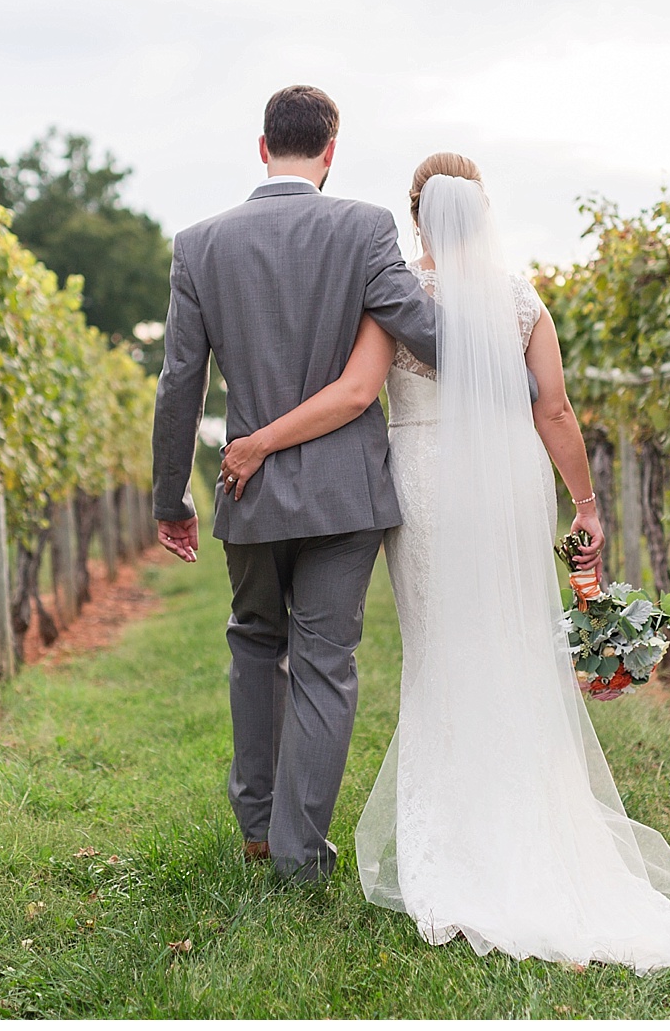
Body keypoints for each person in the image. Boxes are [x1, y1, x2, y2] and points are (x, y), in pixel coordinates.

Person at [217, 153, 670, 971]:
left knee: (440, 651)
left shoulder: (397, 295)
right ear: (480, 213)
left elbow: (352, 396)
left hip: (422, 479)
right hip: (513, 479)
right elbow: (551, 408)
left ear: (417, 217)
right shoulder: (520, 299)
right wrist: (584, 503)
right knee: (511, 640)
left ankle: (454, 841)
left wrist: (260, 442)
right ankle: (531, 822)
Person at [149, 85, 444, 882]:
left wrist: (168, 496)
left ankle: (256, 824)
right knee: (325, 661)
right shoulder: (363, 227)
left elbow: (180, 382)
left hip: (248, 490)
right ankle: (299, 852)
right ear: (330, 150)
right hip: (346, 491)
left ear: (261, 147)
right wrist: (503, 341)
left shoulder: (198, 244)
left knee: (254, 643)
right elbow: (419, 330)